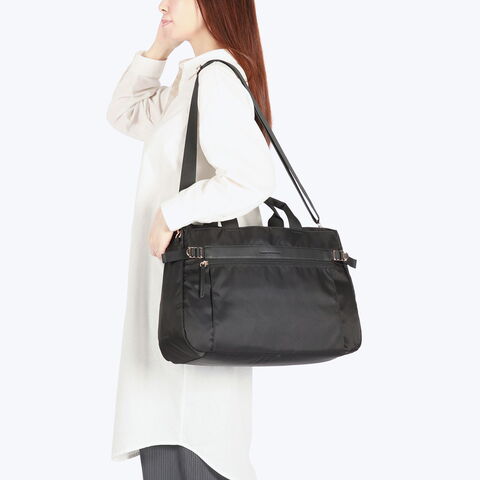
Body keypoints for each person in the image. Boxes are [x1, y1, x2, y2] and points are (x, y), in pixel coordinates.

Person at [106, 0, 275, 479]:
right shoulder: (194, 79)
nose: (162, 4)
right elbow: (124, 114)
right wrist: (161, 46)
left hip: (197, 320)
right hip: (182, 321)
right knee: (171, 438)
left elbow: (250, 178)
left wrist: (171, 213)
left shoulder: (217, 79)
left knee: (194, 442)